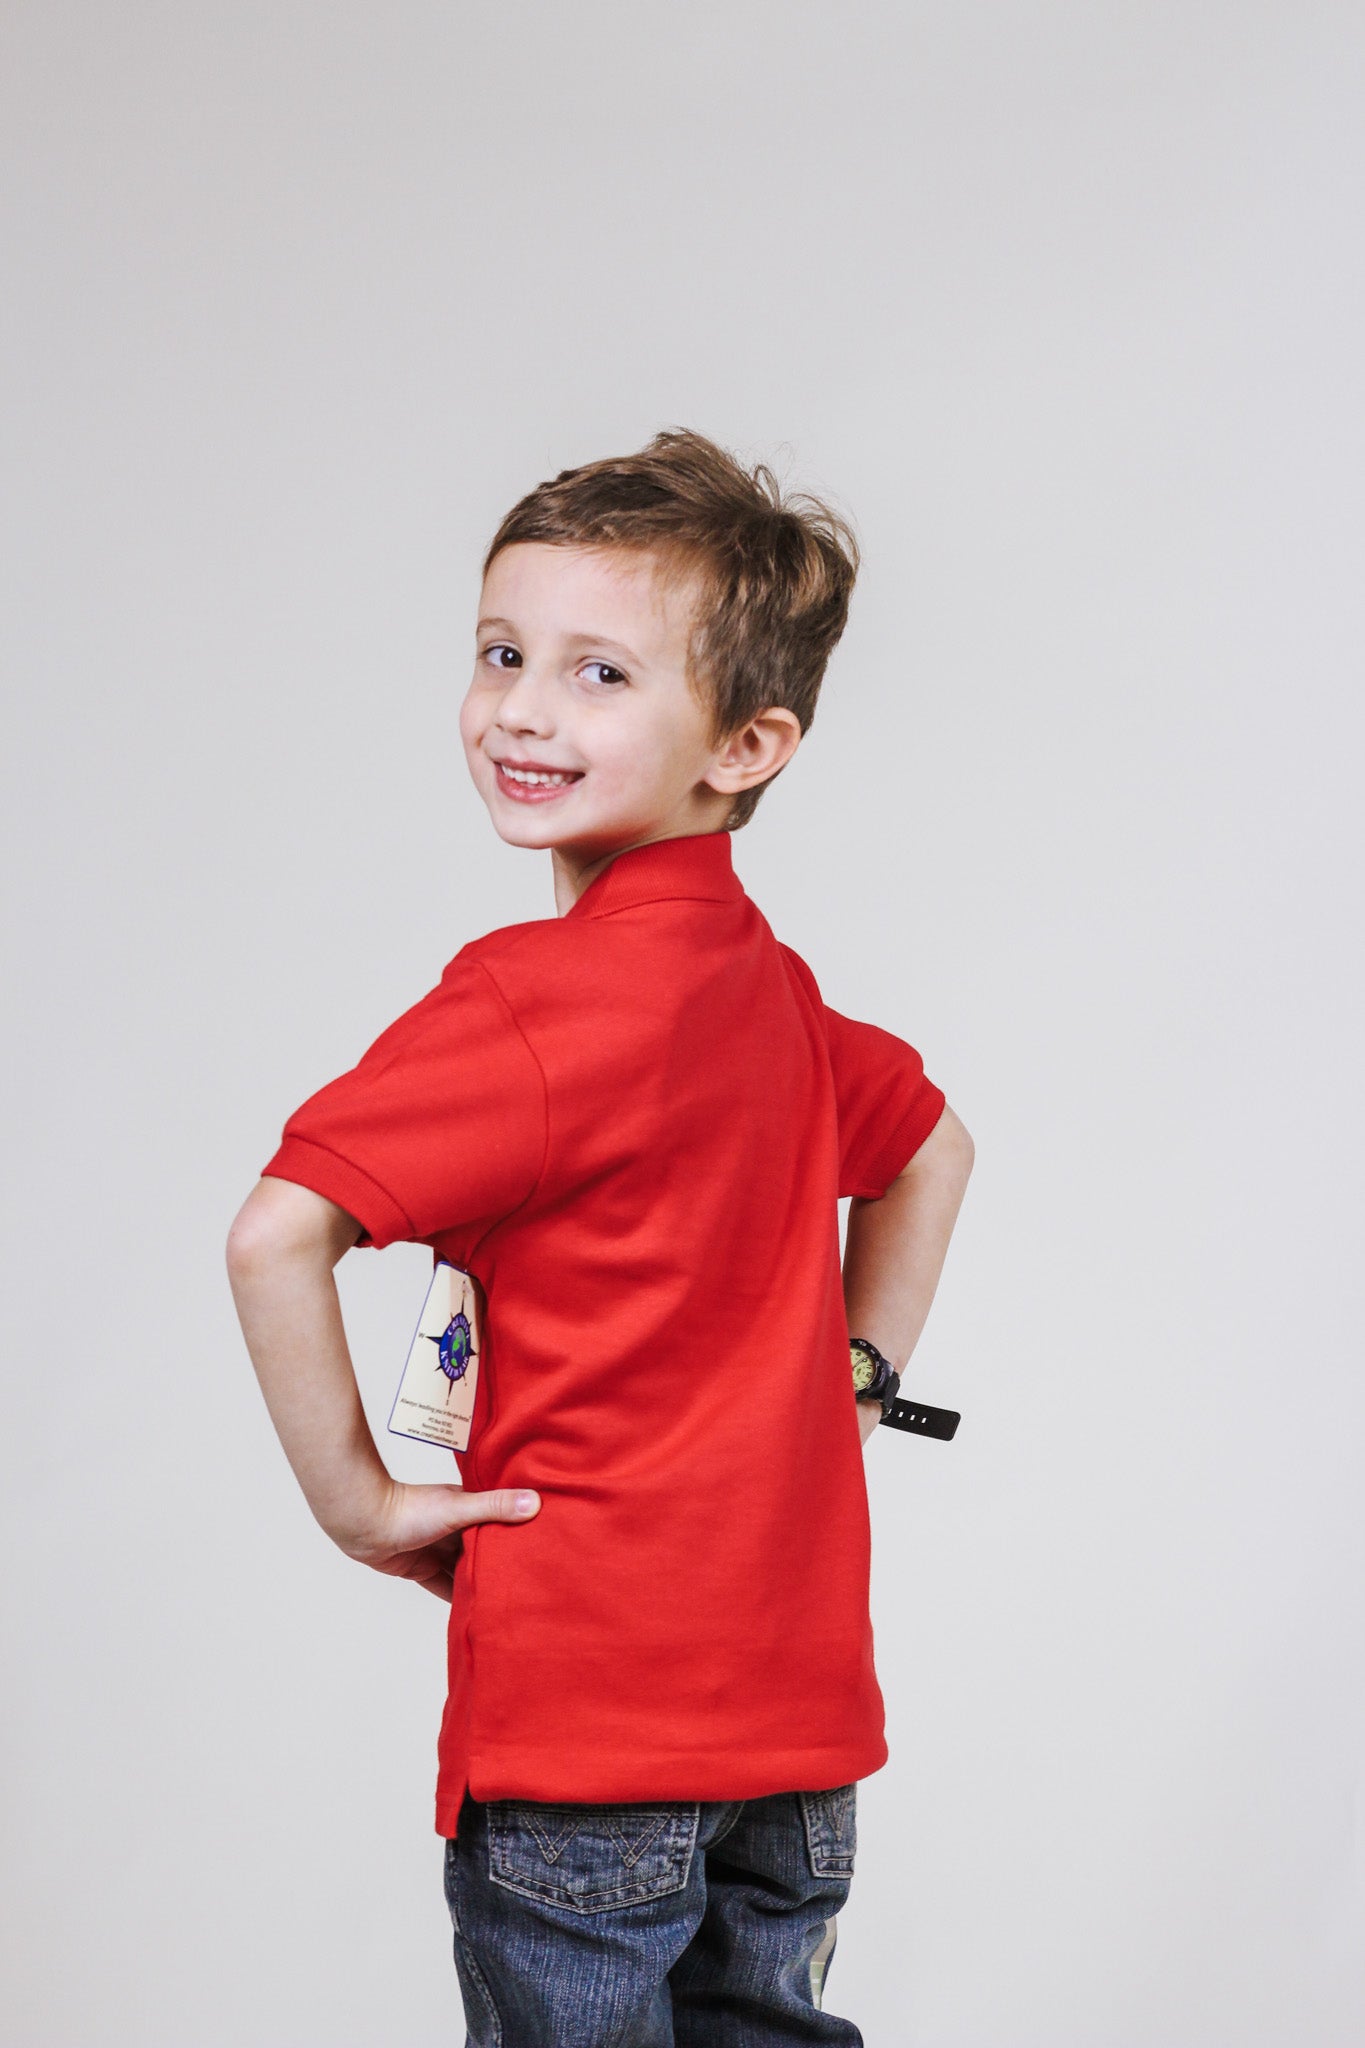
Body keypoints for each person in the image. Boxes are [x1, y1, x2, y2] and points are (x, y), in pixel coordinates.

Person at [226, 428, 975, 2047]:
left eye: (598, 673)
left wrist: (359, 1503)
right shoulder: (767, 993)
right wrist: (855, 1377)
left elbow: (275, 1235)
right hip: (795, 1729)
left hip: (587, 1731)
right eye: (501, 652)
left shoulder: (530, 1003)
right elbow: (932, 1148)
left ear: (745, 744)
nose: (520, 707)